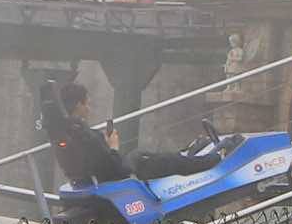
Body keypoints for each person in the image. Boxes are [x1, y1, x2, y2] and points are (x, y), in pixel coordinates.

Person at [40, 78, 205, 187]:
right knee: (145, 158)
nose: (89, 109)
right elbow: (115, 168)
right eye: (88, 104)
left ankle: (186, 155)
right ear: (78, 105)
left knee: (143, 156)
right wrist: (113, 146)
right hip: (117, 179)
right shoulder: (86, 134)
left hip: (94, 179)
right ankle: (206, 161)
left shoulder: (63, 131)